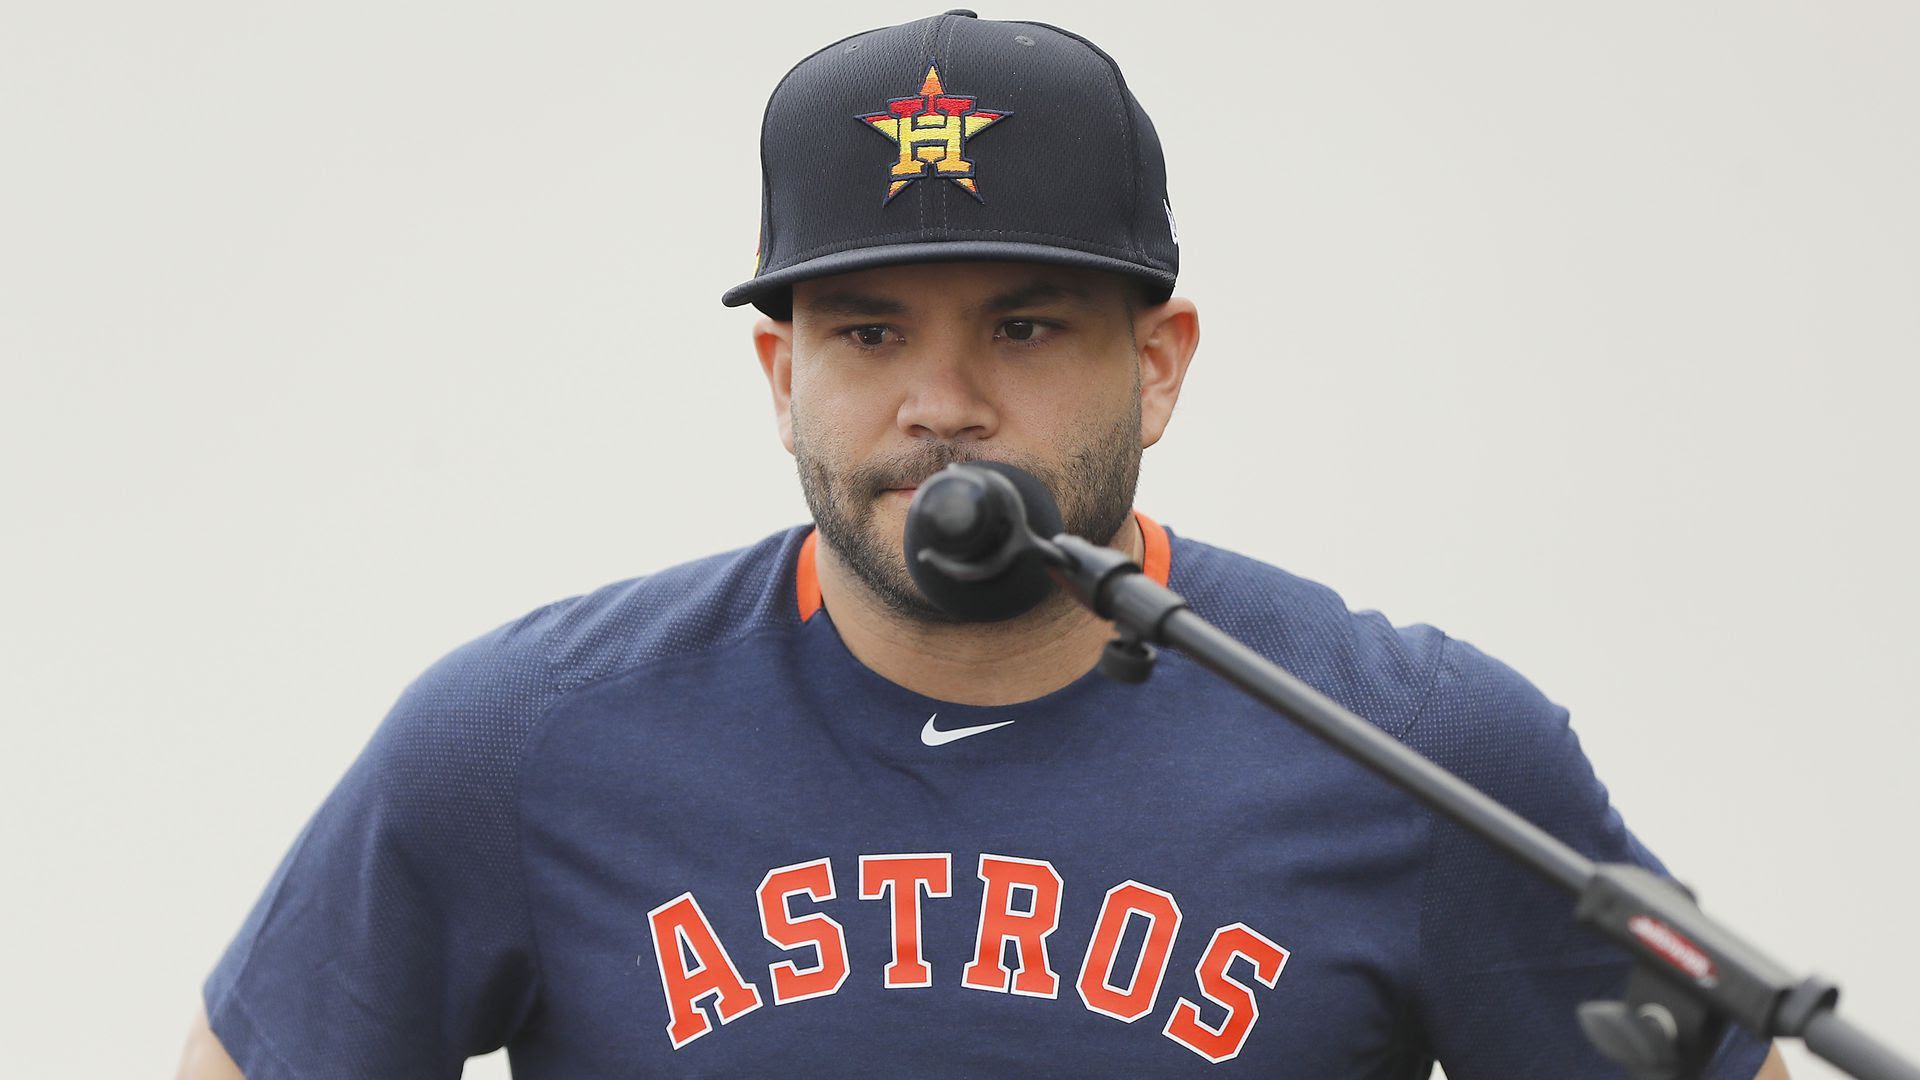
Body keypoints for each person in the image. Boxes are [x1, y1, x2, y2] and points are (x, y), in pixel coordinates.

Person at [180, 10, 1790, 1078]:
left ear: (1155, 365)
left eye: (1024, 327)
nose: (940, 405)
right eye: (868, 334)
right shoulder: (522, 741)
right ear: (780, 374)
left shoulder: (1417, 745)